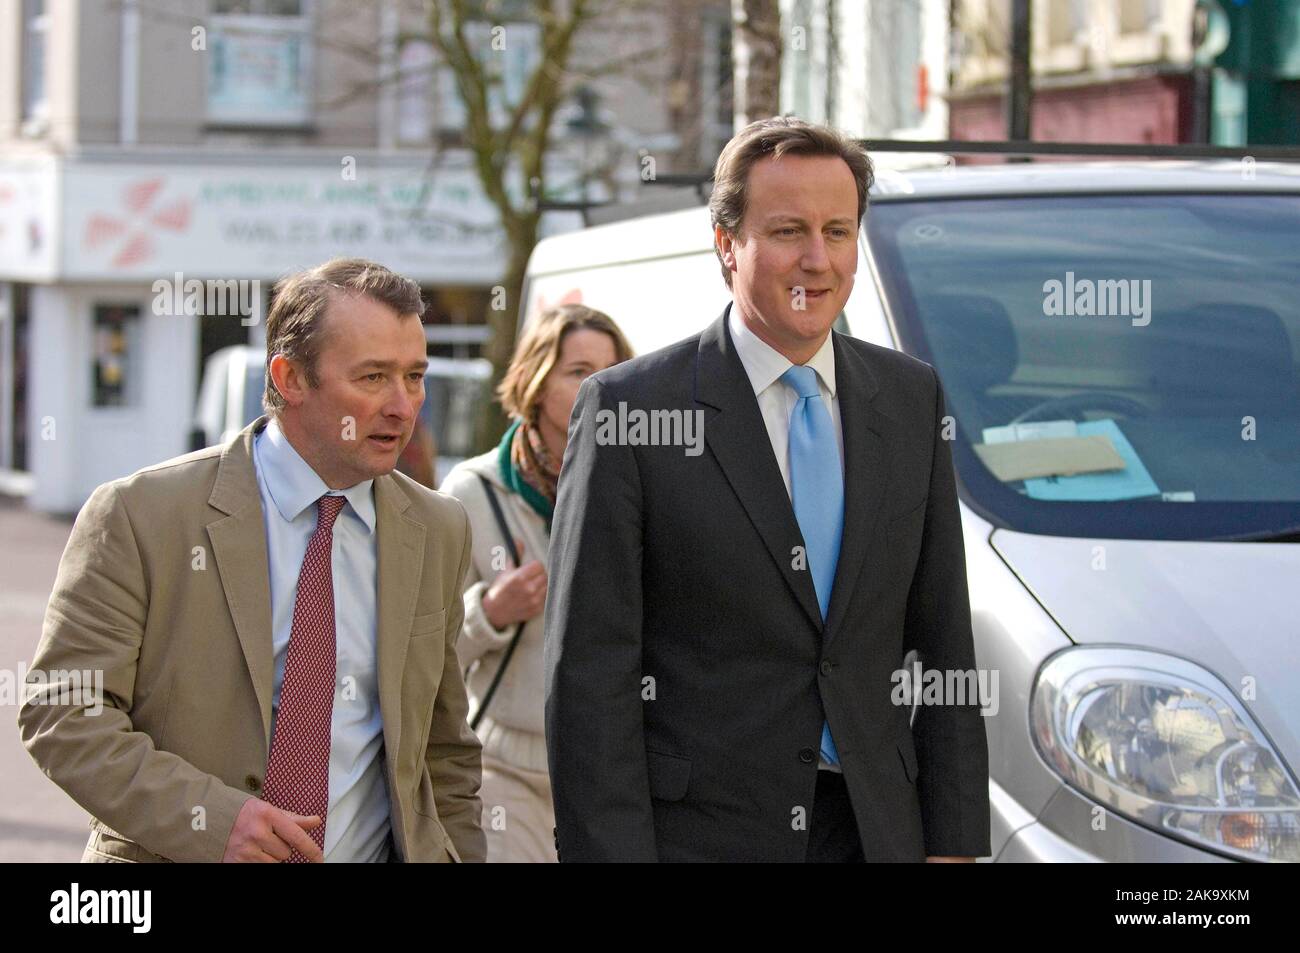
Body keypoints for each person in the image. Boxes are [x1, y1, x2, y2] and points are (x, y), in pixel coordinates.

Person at [544, 118, 990, 862]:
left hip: (874, 833)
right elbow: (590, 676)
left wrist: (952, 841)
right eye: (788, 230)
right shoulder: (631, 410)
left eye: (838, 231)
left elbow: (944, 638)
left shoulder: (911, 400)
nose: (817, 259)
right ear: (727, 246)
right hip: (699, 839)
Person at [18, 258, 485, 863]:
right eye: (373, 378)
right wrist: (214, 822)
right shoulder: (142, 515)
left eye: (415, 377)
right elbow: (64, 712)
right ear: (290, 378)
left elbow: (444, 752)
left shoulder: (438, 529)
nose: (404, 406)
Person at [440, 304, 632, 862]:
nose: (599, 384)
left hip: (610, 771)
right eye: (578, 370)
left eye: (612, 369)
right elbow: (427, 653)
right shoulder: (472, 491)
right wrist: (491, 612)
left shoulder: (635, 485)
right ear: (536, 380)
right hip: (506, 770)